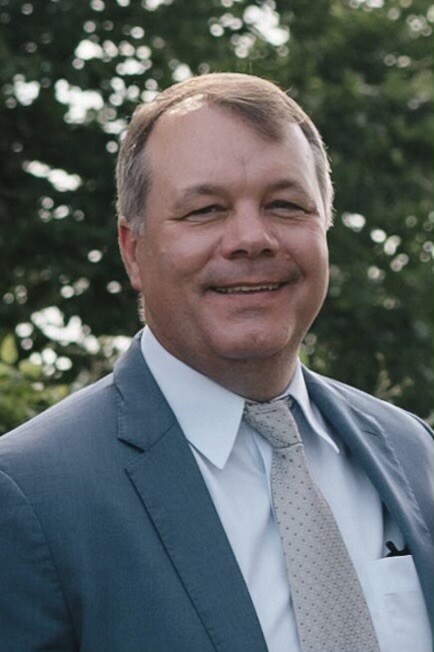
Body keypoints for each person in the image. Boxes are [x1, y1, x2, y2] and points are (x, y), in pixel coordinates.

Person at [0, 73, 432, 652]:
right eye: (205, 210)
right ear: (133, 250)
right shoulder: (30, 494)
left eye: (286, 205)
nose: (251, 238)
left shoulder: (412, 452)